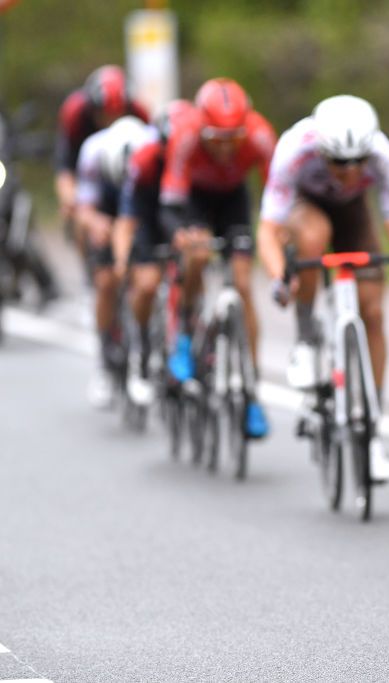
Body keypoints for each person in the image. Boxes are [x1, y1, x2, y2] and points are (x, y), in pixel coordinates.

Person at [256, 95, 389, 483]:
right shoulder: (294, 150)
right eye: (338, 163)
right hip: (306, 208)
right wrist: (281, 276)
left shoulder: (385, 156)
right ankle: (306, 339)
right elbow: (267, 230)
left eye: (357, 163)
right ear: (321, 150)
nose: (349, 172)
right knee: (314, 236)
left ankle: (372, 427)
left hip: (353, 212)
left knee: (374, 311)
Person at [159, 78, 276, 439]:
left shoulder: (259, 135)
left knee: (243, 283)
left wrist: (274, 233)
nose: (226, 149)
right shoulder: (187, 134)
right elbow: (171, 200)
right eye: (217, 140)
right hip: (195, 199)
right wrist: (182, 232)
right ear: (203, 129)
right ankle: (182, 336)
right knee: (196, 255)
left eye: (233, 140)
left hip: (234, 200)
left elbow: (277, 192)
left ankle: (252, 390)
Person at [111, 99, 197, 406]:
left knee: (195, 262)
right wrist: (121, 259)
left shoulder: (196, 160)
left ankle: (191, 332)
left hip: (182, 215)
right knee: (146, 284)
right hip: (149, 217)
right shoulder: (144, 161)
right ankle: (143, 351)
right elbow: (127, 218)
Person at [73, 115, 150, 406]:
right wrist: (95, 223)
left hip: (144, 205)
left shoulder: (152, 151)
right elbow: (83, 207)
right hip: (107, 208)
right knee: (106, 280)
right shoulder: (93, 153)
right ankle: (105, 358)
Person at [55, 65, 149, 253]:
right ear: (92, 110)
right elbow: (65, 167)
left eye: (118, 114)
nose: (110, 122)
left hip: (124, 172)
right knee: (74, 208)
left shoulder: (141, 114)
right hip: (87, 172)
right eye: (104, 115)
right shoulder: (75, 116)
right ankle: (86, 259)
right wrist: (71, 201)